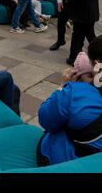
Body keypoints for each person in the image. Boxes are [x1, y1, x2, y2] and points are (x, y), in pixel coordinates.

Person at [37, 37, 102, 166]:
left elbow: (45, 119)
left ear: (97, 64)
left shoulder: (75, 93)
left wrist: (63, 86)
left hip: (71, 163)